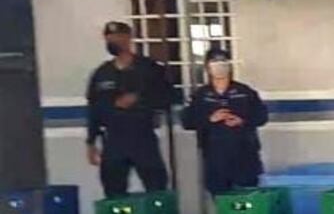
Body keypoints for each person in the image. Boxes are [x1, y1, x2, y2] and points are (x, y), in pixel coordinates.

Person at [85, 21, 173, 198]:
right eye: (108, 38)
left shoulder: (149, 68)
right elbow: (93, 109)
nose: (112, 41)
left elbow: (168, 97)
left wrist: (139, 99)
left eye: (116, 38)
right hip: (114, 139)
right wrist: (90, 142)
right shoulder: (101, 73)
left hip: (142, 136)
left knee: (156, 188)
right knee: (113, 189)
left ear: (127, 39)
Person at [181, 48, 269, 196]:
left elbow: (261, 116)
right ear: (207, 67)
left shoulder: (245, 92)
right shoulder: (201, 95)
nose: (219, 66)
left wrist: (242, 121)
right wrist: (210, 119)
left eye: (223, 62)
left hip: (245, 155)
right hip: (215, 158)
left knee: (246, 200)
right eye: (214, 62)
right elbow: (187, 121)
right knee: (222, 202)